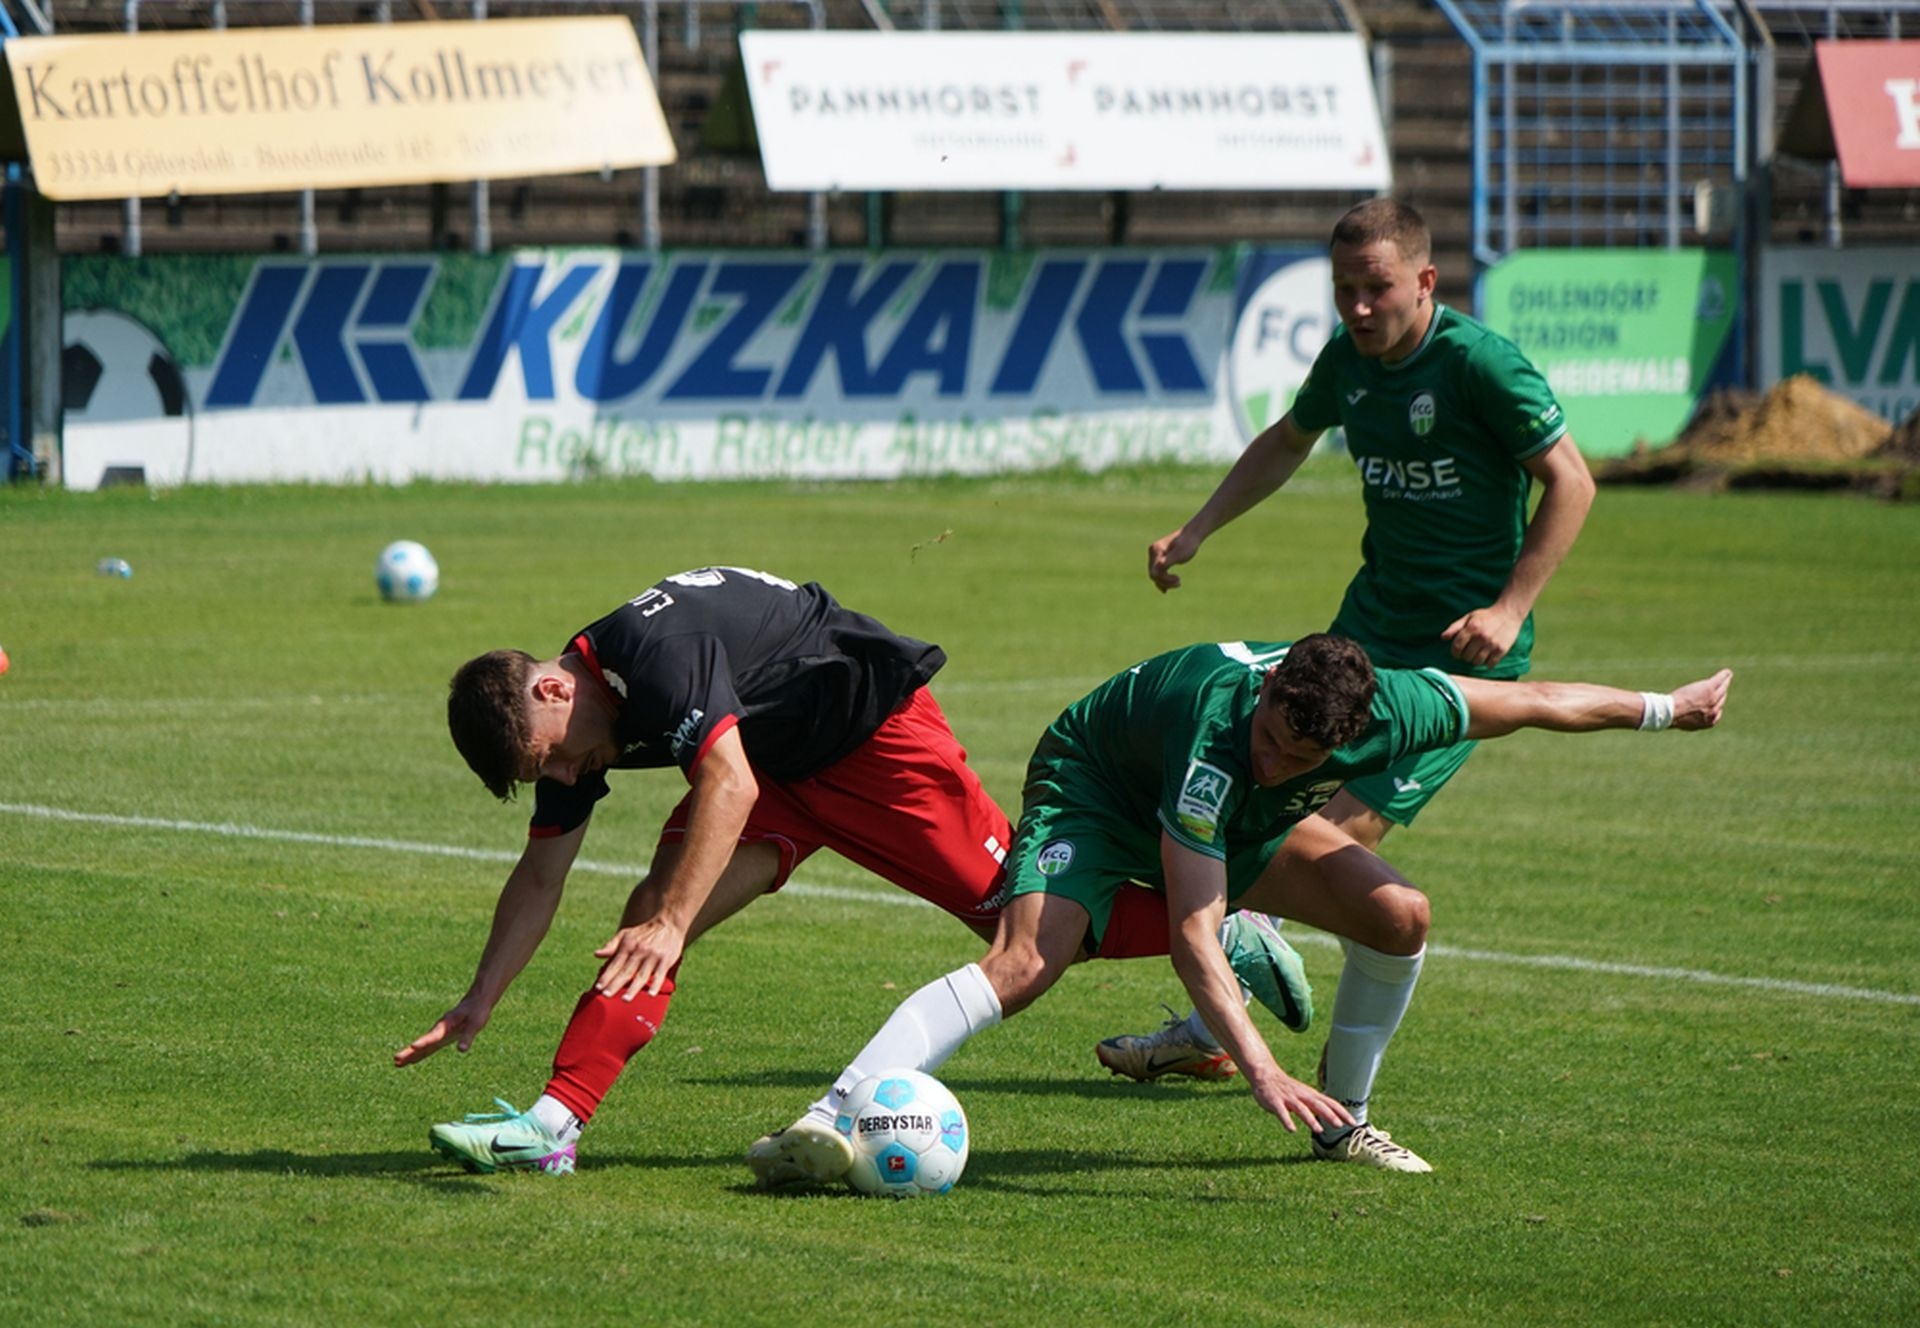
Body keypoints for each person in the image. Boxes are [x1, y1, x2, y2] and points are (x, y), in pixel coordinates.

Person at [395, 565, 1309, 1175]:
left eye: (550, 760)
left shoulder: (651, 654)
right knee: (648, 918)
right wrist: (480, 997)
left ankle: (1223, 926)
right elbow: (541, 872)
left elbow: (726, 780)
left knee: (1027, 929)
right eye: (545, 776)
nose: (563, 778)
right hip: (777, 772)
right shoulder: (581, 720)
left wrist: (675, 918)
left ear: (554, 688)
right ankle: (552, 1128)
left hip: (879, 742)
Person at [747, 636, 1731, 1187]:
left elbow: (1540, 700)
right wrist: (1262, 1070)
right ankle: (827, 1120)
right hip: (1096, 787)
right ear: (1268, 692)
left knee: (1401, 915)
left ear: (1352, 733)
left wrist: (1665, 706)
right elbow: (1190, 928)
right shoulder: (1220, 739)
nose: (1276, 759)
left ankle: (1346, 1124)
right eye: (1271, 738)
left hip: (1241, 825)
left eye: (1301, 759)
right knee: (1027, 963)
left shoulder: (1399, 706)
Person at [1100, 197, 1598, 1127]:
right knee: (1273, 810)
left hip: (1459, 656)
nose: (1359, 308)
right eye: (1343, 290)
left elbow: (1572, 480)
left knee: (1324, 832)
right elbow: (1287, 440)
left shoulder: (1480, 365)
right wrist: (1199, 528)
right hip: (1363, 636)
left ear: (1425, 281)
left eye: (1376, 288)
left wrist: (1509, 608)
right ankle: (1218, 1015)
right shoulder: (1348, 361)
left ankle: (1238, 1027)